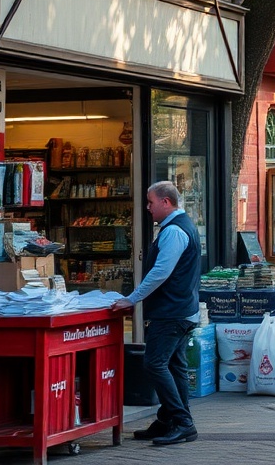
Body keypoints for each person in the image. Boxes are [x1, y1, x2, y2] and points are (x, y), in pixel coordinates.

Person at [113, 181, 201, 446]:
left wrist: (132, 299)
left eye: (151, 202)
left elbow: (161, 272)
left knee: (154, 363)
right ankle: (169, 420)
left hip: (171, 312)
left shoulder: (174, 231)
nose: (148, 208)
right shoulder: (179, 226)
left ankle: (182, 422)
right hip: (181, 309)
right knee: (175, 366)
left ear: (166, 202)